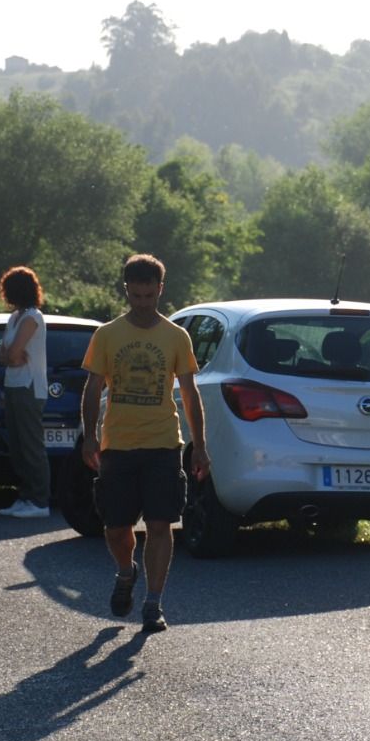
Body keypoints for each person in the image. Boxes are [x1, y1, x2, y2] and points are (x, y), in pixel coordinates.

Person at [79, 253, 208, 632]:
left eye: (149, 296)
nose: (143, 304)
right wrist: (90, 436)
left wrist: (199, 445)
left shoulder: (175, 336)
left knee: (159, 523)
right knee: (116, 528)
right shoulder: (107, 335)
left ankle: (153, 602)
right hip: (117, 444)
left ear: (160, 291)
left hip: (163, 443)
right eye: (136, 296)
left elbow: (190, 393)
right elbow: (92, 389)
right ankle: (125, 571)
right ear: (126, 291)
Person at [0, 265, 51, 519]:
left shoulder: (32, 317)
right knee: (17, 446)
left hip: (29, 386)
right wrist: (11, 357)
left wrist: (11, 356)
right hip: (13, 384)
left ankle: (39, 501)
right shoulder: (15, 317)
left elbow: (15, 353)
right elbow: (3, 355)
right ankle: (26, 495)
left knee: (31, 445)